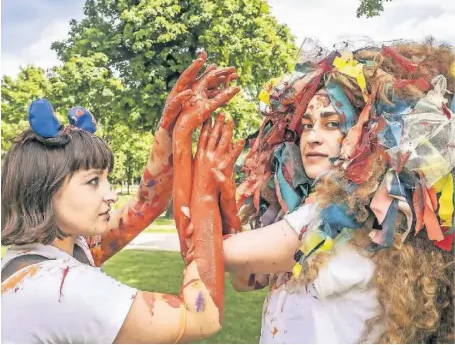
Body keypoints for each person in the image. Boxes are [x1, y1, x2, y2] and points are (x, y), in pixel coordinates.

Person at [203, 41, 454, 343]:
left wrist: (199, 179)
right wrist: (224, 201)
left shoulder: (341, 222)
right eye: (307, 125)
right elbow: (246, 280)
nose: (312, 138)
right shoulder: (311, 214)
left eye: (332, 124)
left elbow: (215, 254)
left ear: (370, 133)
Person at [1, 52, 240, 344]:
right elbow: (202, 318)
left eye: (106, 179)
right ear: (43, 190)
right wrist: (205, 192)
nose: (111, 194)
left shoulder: (49, 254)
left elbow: (144, 205)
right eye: (92, 182)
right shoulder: (62, 290)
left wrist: (172, 129)